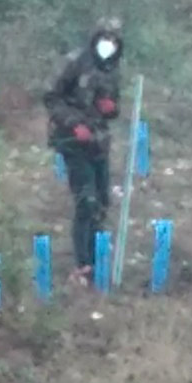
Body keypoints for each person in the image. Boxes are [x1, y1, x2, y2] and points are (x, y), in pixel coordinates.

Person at [44, 16, 123, 287]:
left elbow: (113, 105)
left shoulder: (112, 68)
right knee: (86, 199)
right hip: (72, 142)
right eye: (105, 39)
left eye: (114, 41)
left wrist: (110, 108)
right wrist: (73, 123)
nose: (108, 45)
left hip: (99, 142)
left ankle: (98, 259)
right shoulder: (75, 62)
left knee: (101, 202)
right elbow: (51, 98)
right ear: (95, 38)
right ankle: (82, 264)